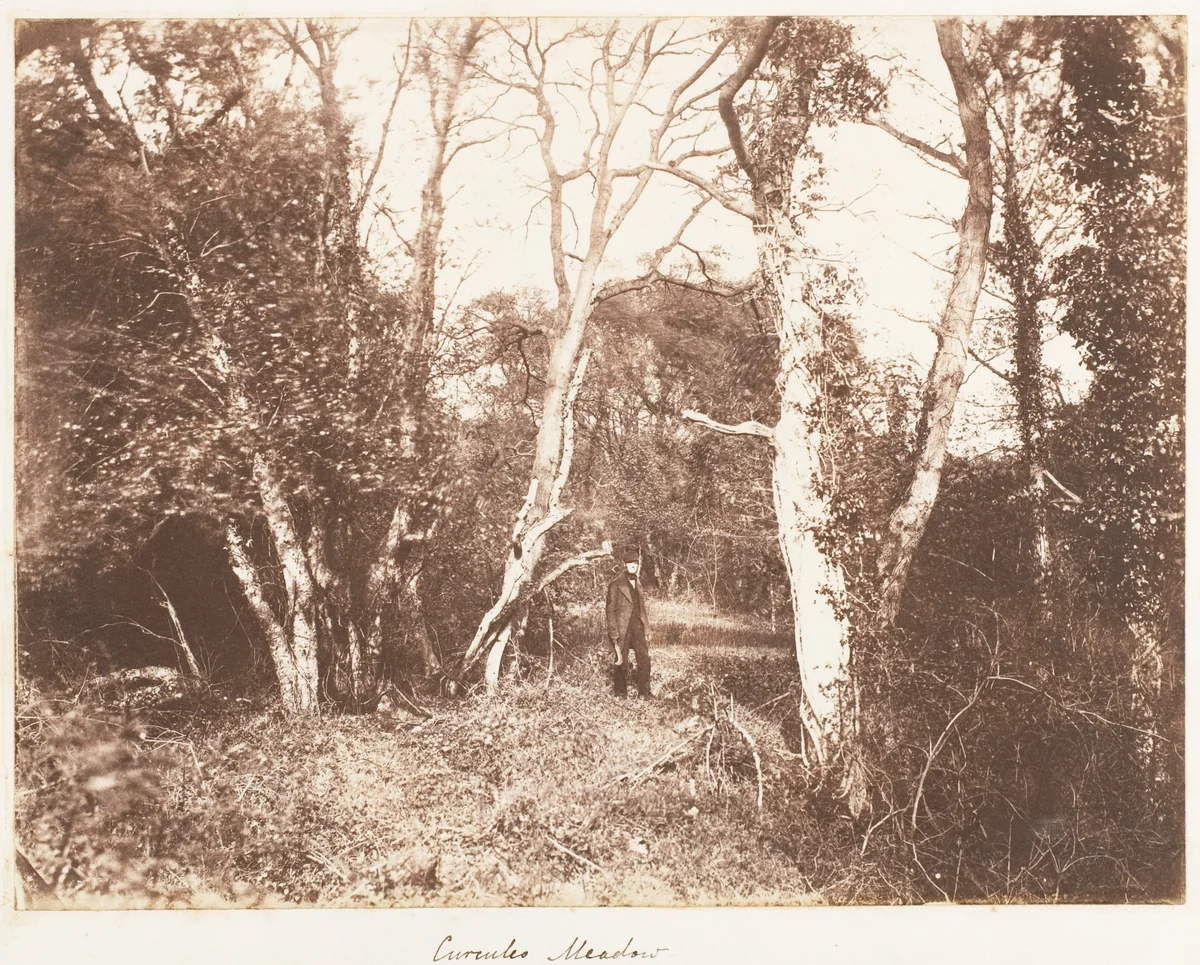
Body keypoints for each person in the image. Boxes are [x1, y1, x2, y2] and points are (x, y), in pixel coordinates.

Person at [605, 546, 652, 698]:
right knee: (621, 661)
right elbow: (610, 610)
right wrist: (613, 633)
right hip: (622, 629)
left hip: (638, 627)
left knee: (644, 660)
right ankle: (620, 693)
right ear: (624, 564)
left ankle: (644, 693)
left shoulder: (638, 583)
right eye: (630, 563)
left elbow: (642, 609)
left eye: (636, 563)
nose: (633, 565)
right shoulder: (615, 584)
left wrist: (647, 629)